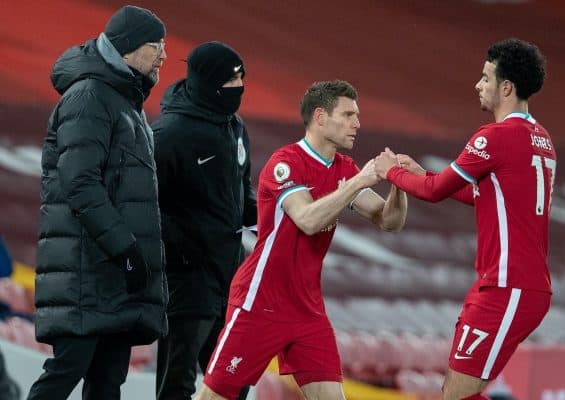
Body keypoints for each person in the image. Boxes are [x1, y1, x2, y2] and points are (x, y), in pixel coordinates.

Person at [193, 80, 408, 400]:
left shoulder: (342, 169)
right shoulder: (285, 163)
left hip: (306, 309)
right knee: (215, 397)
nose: (357, 124)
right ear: (320, 117)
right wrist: (360, 179)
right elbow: (307, 220)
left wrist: (397, 182)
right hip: (260, 303)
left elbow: (389, 221)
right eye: (348, 115)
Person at [373, 38, 554, 400]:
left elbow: (436, 190)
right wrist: (422, 173)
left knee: (456, 394)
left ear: (506, 87)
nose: (478, 85)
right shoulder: (542, 138)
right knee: (459, 392)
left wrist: (391, 172)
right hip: (516, 285)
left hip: (507, 286)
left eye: (485, 78)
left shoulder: (496, 137)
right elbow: (481, 196)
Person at [28, 5, 168, 400]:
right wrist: (124, 247)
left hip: (113, 274)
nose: (163, 56)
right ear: (126, 50)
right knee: (66, 372)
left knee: (107, 382)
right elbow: (81, 183)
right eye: (155, 45)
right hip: (86, 270)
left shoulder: (127, 104)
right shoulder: (90, 96)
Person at [152, 41, 256, 400]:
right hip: (188, 280)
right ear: (208, 82)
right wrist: (180, 250)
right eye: (231, 80)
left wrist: (284, 210)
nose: (239, 87)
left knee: (231, 380)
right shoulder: (169, 135)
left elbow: (243, 197)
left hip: (230, 277)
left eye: (242, 78)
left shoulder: (235, 128)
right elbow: (144, 204)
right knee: (176, 383)